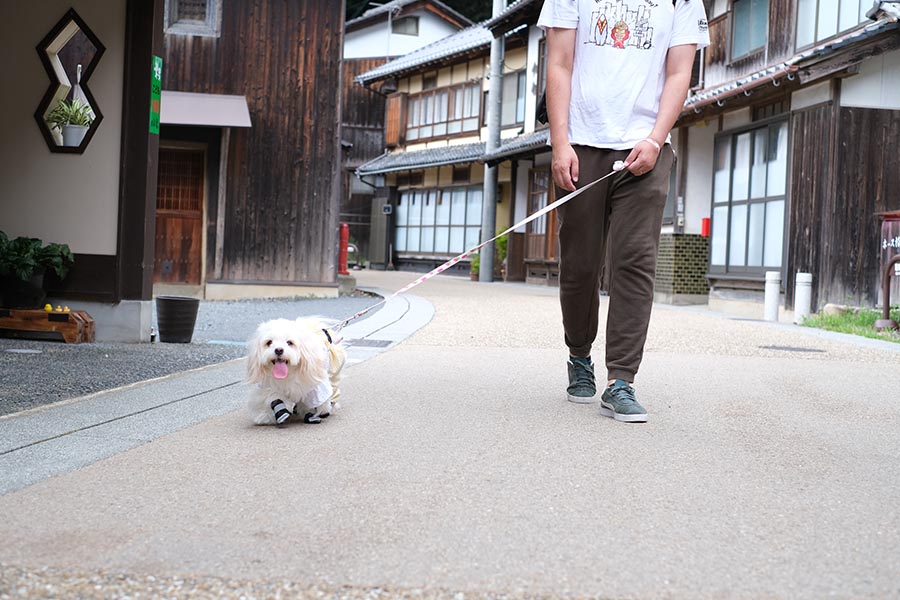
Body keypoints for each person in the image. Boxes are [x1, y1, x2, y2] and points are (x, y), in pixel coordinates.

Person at [537, 0, 709, 422]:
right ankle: (579, 355)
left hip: (646, 145)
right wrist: (561, 143)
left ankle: (621, 380)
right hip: (582, 141)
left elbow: (679, 71)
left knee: (635, 261)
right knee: (580, 264)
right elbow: (558, 63)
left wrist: (655, 138)